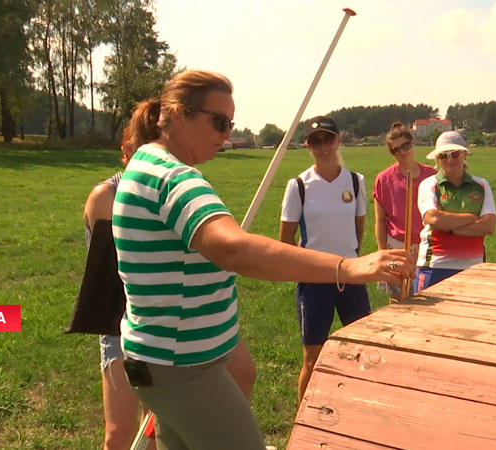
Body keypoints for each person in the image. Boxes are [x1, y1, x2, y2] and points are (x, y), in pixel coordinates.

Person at [112, 71, 412, 450]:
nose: (225, 134)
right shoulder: (174, 178)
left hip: (167, 359)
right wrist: (346, 267)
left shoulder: (146, 164)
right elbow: (233, 249)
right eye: (218, 122)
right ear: (175, 113)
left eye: (230, 124)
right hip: (184, 365)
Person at [83, 100, 256, 450]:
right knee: (119, 433)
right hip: (128, 319)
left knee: (173, 421)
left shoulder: (174, 184)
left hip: (179, 324)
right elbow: (114, 273)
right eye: (139, 144)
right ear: (127, 147)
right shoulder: (108, 195)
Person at [279, 115, 370, 401]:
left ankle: (355, 404)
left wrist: (348, 262)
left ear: (337, 140)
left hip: (351, 277)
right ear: (307, 145)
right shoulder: (299, 185)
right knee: (313, 355)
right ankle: (303, 420)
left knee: (361, 349)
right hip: (315, 281)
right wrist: (310, 266)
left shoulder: (355, 181)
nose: (323, 146)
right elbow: (286, 240)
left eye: (327, 139)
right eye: (316, 141)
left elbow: (358, 231)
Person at [415, 131, 496, 289]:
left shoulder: (481, 185)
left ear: (465, 155)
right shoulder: (429, 184)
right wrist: (472, 217)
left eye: (455, 153)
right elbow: (434, 219)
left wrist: (449, 227)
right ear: (438, 159)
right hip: (435, 266)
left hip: (473, 267)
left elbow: (488, 226)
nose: (450, 159)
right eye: (444, 155)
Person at [373, 122, 436, 302]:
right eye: (396, 150)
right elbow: (380, 220)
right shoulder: (384, 179)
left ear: (412, 143)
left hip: (425, 245)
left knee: (427, 297)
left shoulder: (431, 175)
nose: (402, 152)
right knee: (398, 299)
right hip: (397, 246)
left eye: (405, 146)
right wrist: (382, 252)